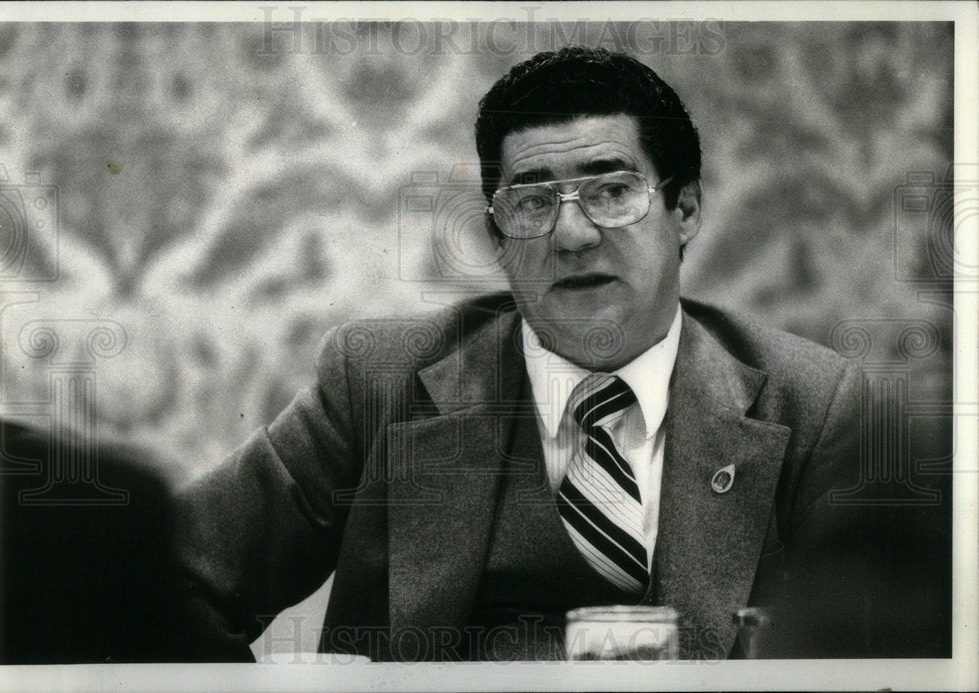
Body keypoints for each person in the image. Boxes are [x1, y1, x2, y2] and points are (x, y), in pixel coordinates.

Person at [172, 47, 926, 661]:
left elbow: (888, 656)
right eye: (533, 201)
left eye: (612, 191)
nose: (572, 235)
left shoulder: (812, 404)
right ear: (499, 238)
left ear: (684, 208)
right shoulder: (380, 381)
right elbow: (167, 580)